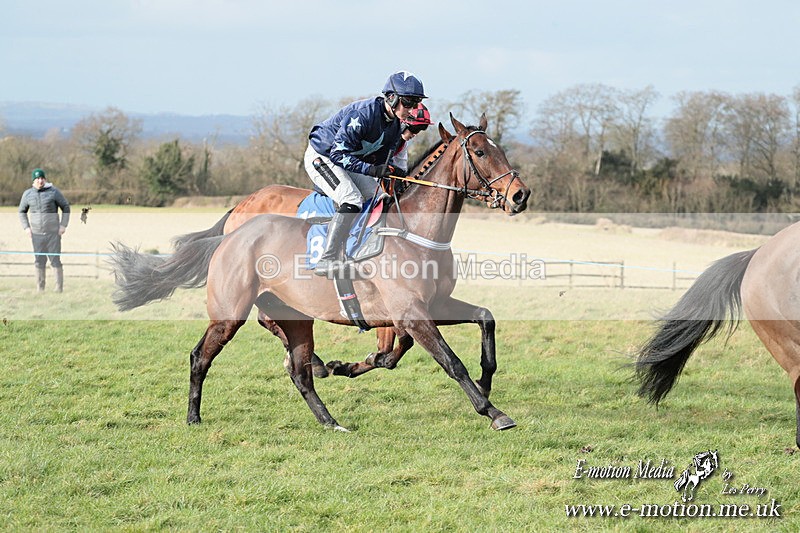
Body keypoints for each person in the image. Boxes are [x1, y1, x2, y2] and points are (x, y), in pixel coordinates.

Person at [305, 70, 427, 276]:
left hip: (346, 162)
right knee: (351, 199)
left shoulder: (395, 126)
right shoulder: (363, 114)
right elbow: (338, 154)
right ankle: (327, 259)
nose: (412, 110)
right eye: (408, 103)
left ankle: (359, 251)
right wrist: (371, 169)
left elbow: (381, 163)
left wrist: (396, 175)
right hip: (323, 156)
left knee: (377, 198)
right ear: (391, 98)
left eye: (415, 104)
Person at [18, 168, 71, 292]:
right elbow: (21, 211)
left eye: (42, 178)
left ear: (45, 179)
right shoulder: (27, 194)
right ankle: (40, 289)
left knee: (55, 261)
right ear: (33, 181)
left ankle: (58, 289)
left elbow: (66, 207)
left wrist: (63, 226)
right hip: (36, 234)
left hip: (53, 234)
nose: (40, 181)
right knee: (39, 261)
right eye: (37, 178)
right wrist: (26, 228)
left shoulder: (54, 192)